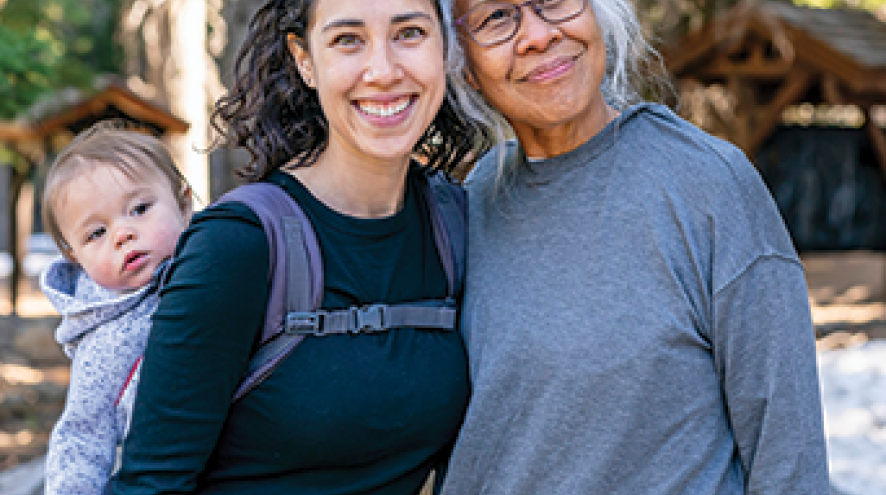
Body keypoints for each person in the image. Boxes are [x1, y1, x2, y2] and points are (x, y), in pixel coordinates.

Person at [438, 0, 831, 494]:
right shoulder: (474, 197)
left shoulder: (709, 185)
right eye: (496, 17)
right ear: (465, 67)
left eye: (554, 1)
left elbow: (789, 458)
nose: (537, 35)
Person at [104, 0, 487, 493]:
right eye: (347, 39)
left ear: (444, 50)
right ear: (305, 61)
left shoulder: (457, 224)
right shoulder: (239, 245)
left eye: (409, 33)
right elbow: (150, 484)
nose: (383, 70)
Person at [39, 120, 193, 495]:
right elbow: (82, 440)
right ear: (75, 257)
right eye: (96, 233)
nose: (123, 234)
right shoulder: (105, 343)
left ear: (184, 203)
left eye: (139, 208)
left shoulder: (220, 266)